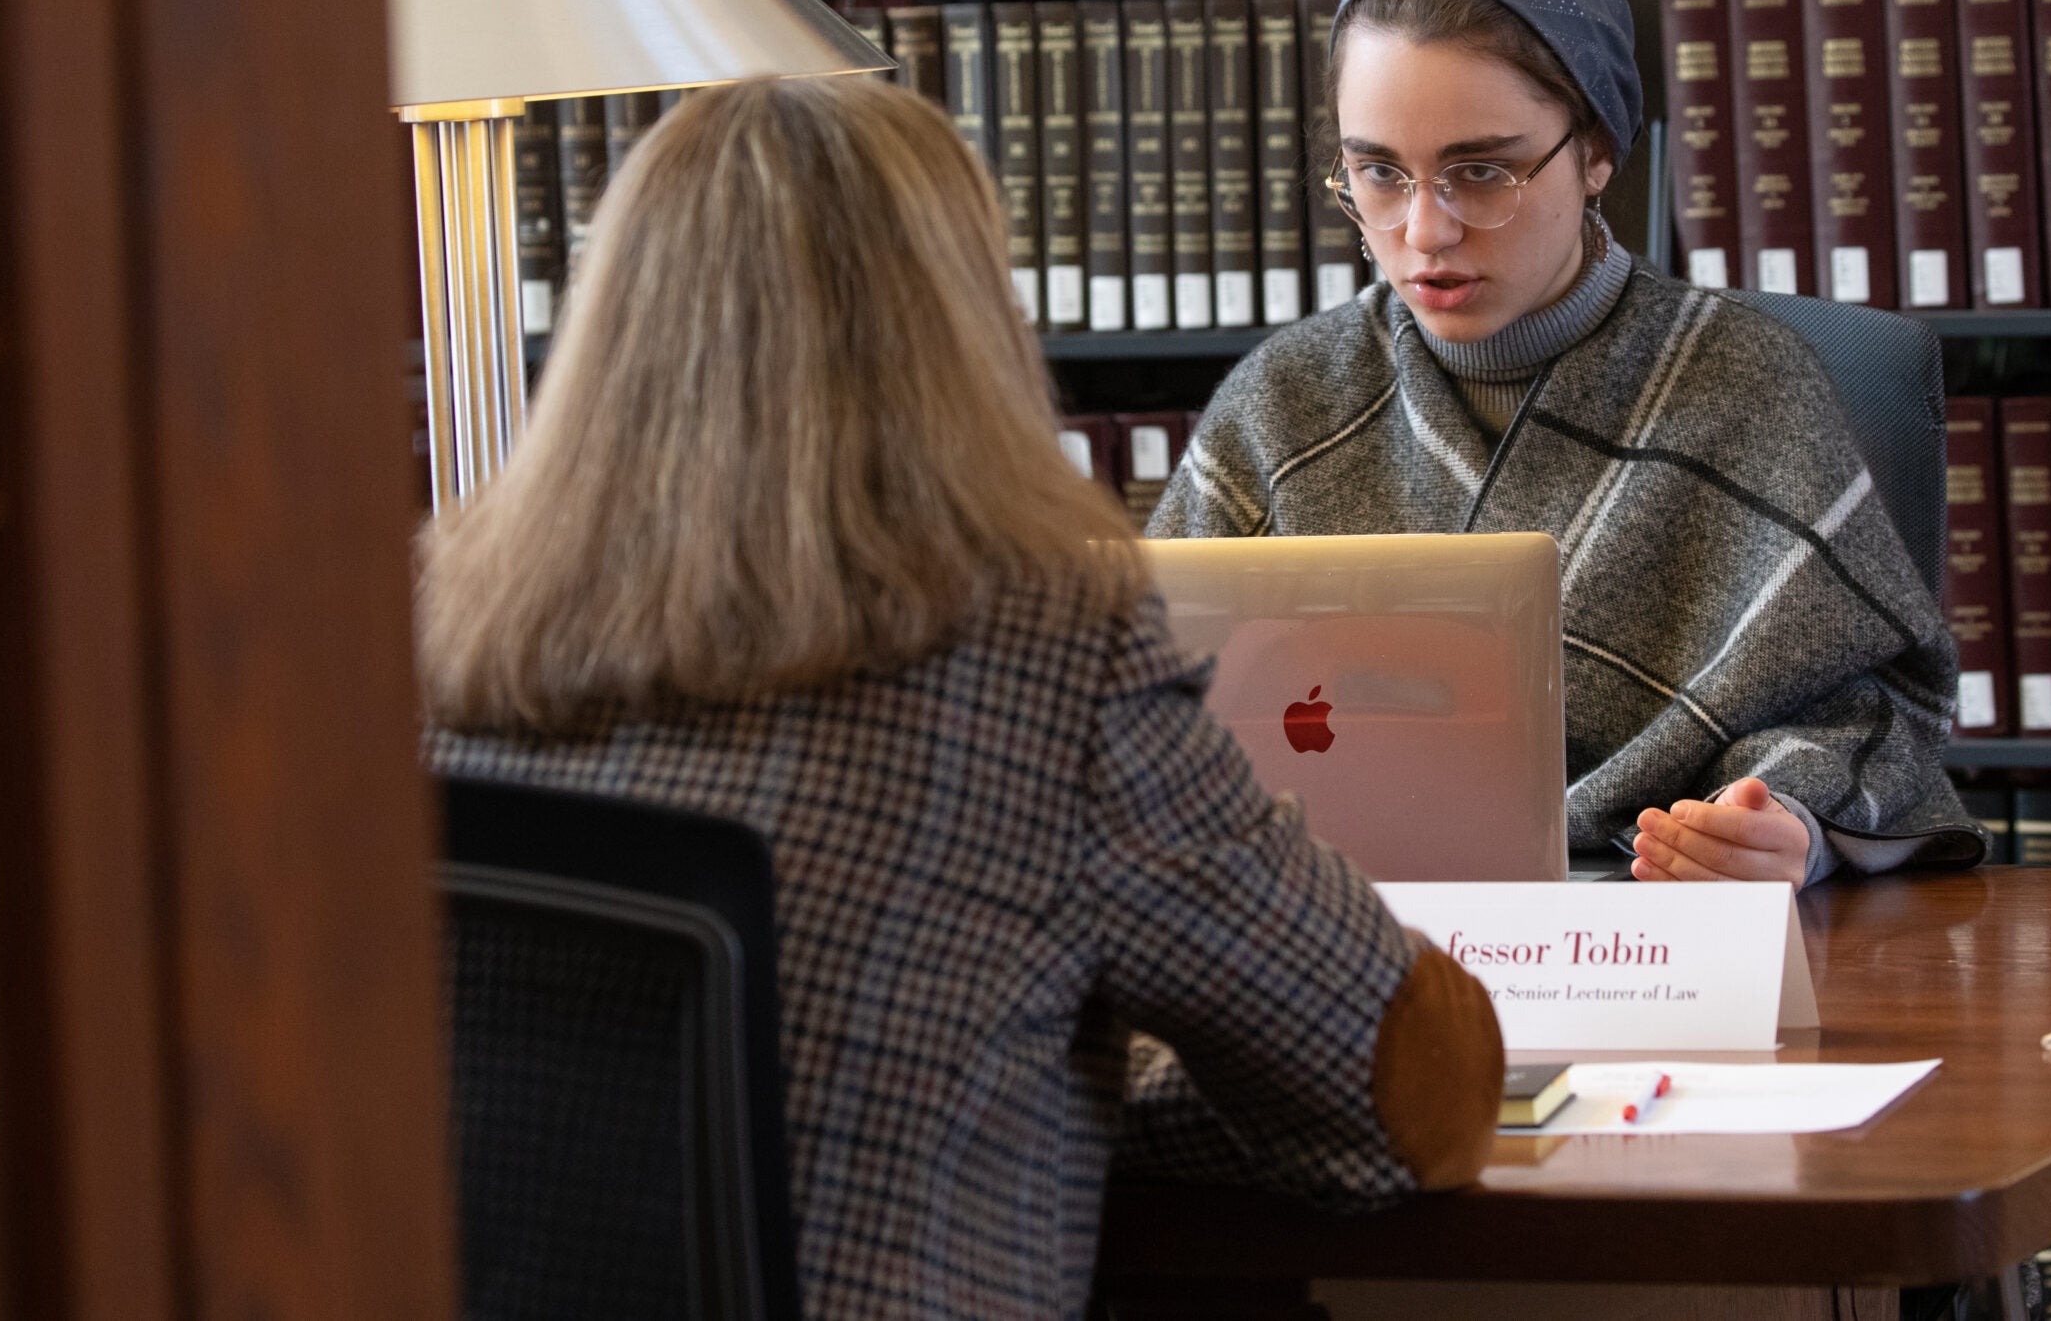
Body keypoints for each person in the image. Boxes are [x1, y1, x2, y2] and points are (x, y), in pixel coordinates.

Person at [417, 77, 1502, 1319]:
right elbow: (1412, 1100)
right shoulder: (1035, 660)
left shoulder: (426, 647)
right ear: (967, 328)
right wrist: (1088, 1073)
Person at [1149, 0, 1986, 888]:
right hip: (1335, 928)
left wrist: (1784, 826)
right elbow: (1141, 711)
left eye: (1481, 173)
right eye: (1378, 174)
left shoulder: (1748, 386)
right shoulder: (1283, 403)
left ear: (1593, 152)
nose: (1423, 233)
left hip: (1646, 926)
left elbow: (1864, 721)